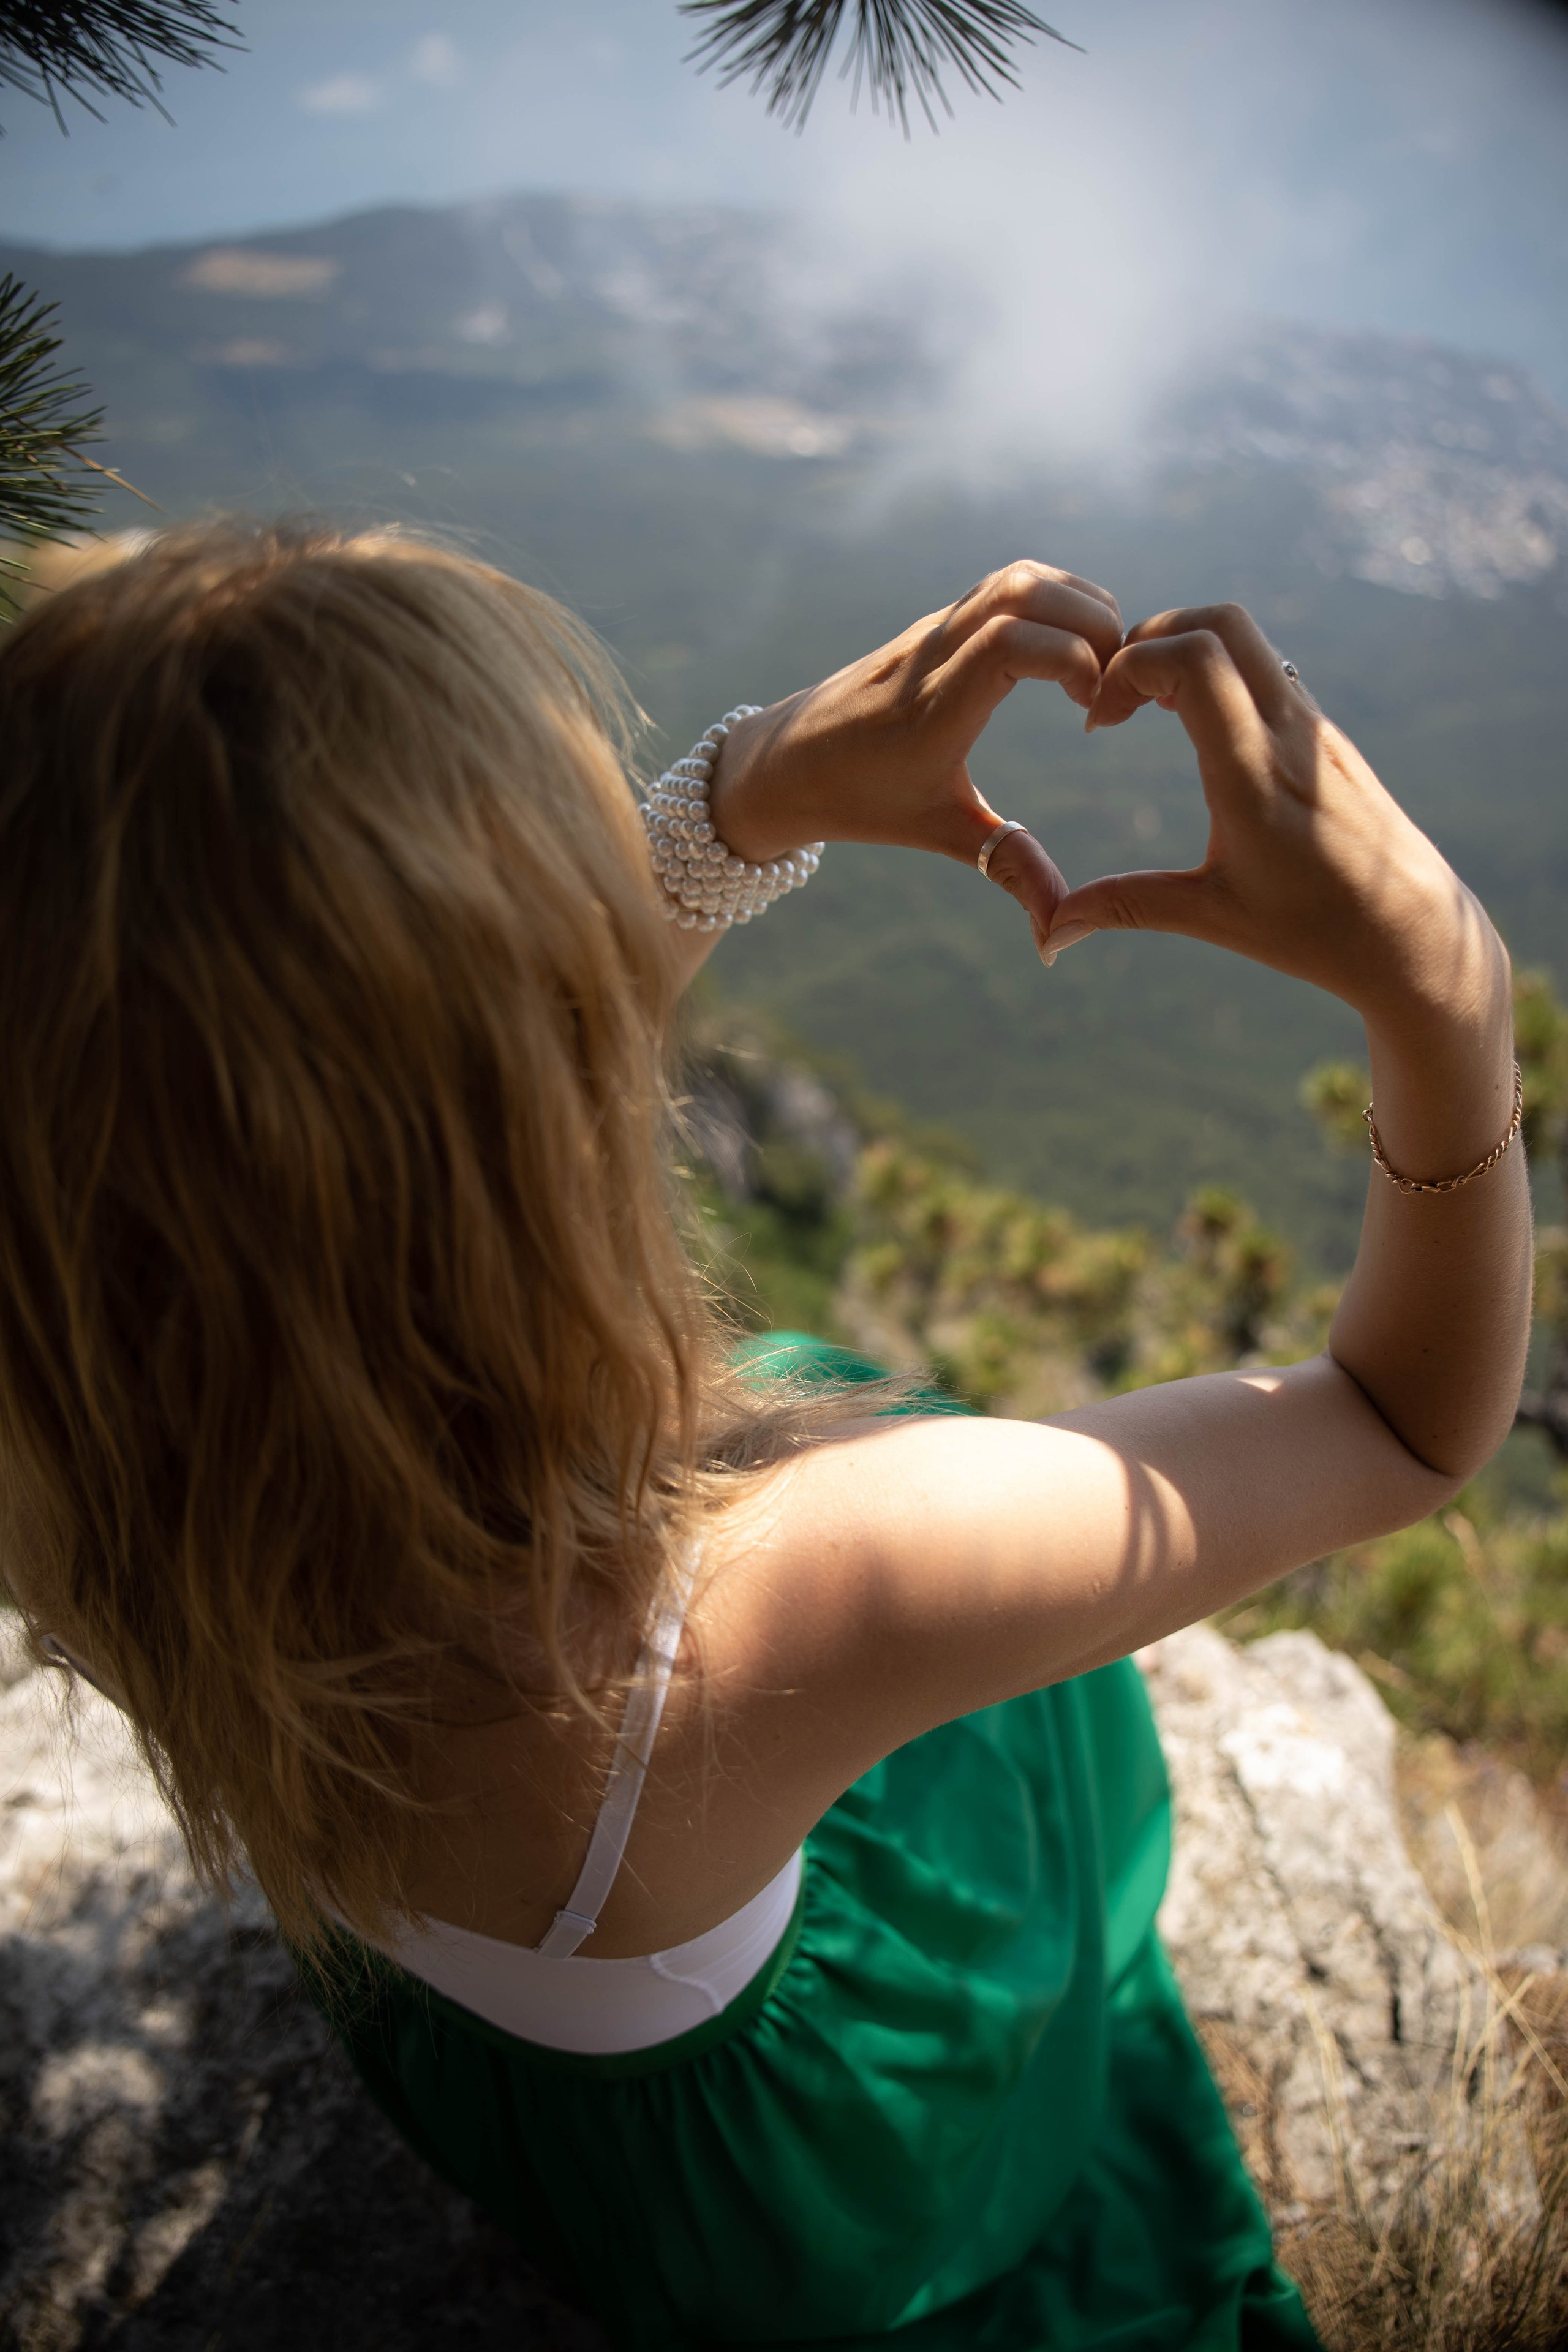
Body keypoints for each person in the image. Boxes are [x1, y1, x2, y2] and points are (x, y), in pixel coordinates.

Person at [0, 524, 1531, 2352]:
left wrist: (740, 802)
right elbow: (1398, 1422)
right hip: (875, 2150)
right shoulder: (804, 1604)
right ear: (546, 1116)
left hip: (585, 2115)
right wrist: (1448, 1000)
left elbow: (307, 1139)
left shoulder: (91, 1442)